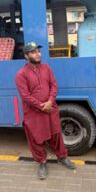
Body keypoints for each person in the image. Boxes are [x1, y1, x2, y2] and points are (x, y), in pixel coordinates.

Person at [14, 41, 77, 180]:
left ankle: (62, 157)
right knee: (36, 138)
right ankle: (41, 162)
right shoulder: (21, 74)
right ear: (26, 56)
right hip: (34, 113)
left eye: (38, 51)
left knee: (56, 134)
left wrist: (50, 101)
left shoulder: (46, 68)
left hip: (50, 109)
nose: (38, 54)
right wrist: (42, 106)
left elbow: (54, 85)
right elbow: (25, 96)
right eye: (33, 52)